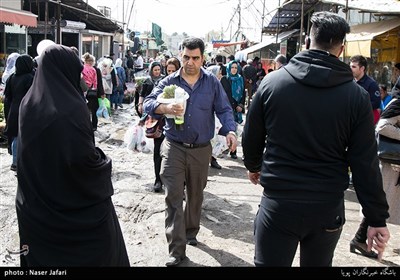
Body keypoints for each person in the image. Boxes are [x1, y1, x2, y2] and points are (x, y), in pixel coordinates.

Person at [242, 11, 390, 267]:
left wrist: (254, 166)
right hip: (327, 208)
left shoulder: (271, 84)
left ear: (307, 42)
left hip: (279, 204)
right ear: (341, 48)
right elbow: (364, 161)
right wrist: (376, 218)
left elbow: (251, 136)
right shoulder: (356, 97)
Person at [16, 44, 130, 266]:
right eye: (77, 73)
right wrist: (103, 162)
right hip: (74, 210)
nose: (81, 79)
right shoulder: (70, 108)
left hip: (36, 205)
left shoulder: (28, 103)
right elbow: (83, 162)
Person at [143, 37, 237, 267]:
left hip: (201, 150)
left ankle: (191, 230)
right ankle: (176, 250)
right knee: (173, 197)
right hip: (173, 147)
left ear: (202, 58)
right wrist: (164, 107)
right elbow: (147, 102)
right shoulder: (169, 82)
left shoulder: (212, 83)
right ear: (181, 55)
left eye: (195, 58)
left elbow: (224, 109)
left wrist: (231, 131)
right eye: (186, 57)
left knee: (196, 195)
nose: (190, 62)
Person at [3, 55, 34, 172]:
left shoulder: (12, 77)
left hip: (14, 109)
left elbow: (7, 96)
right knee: (28, 136)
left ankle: (15, 162)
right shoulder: (31, 77)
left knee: (16, 136)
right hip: (28, 109)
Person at [138, 61, 165, 192]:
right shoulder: (147, 82)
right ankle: (157, 179)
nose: (157, 72)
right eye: (155, 70)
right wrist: (140, 106)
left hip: (169, 120)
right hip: (154, 118)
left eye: (159, 69)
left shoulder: (165, 80)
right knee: (157, 150)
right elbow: (142, 96)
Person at [220, 60, 246, 160]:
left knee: (235, 130)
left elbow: (243, 93)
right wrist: (233, 105)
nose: (234, 70)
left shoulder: (240, 79)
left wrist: (241, 105)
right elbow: (224, 95)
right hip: (227, 108)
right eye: (232, 67)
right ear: (229, 68)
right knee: (228, 129)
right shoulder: (224, 79)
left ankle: (233, 151)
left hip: (237, 109)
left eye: (236, 68)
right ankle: (226, 148)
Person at [350, 55, 381, 125]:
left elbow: (376, 103)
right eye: (350, 66)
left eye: (354, 67)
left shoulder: (371, 84)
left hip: (365, 122)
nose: (350, 69)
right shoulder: (350, 82)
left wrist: (359, 107)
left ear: (362, 68)